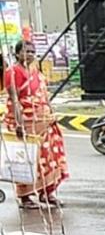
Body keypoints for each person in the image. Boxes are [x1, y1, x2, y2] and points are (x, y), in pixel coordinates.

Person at [4, 39, 69, 209]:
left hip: (44, 120)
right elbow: (15, 99)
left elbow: (44, 96)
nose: (30, 54)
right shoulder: (13, 72)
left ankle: (48, 193)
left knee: (48, 157)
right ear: (18, 53)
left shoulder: (36, 71)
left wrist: (50, 113)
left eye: (33, 51)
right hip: (25, 121)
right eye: (26, 51)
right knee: (27, 158)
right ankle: (25, 197)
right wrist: (19, 124)